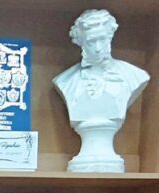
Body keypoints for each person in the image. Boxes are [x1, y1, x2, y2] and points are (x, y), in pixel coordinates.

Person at [52, 9, 149, 171]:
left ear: (110, 37)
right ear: (81, 43)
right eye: (91, 42)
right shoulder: (65, 81)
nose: (98, 48)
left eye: (102, 39)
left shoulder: (135, 76)